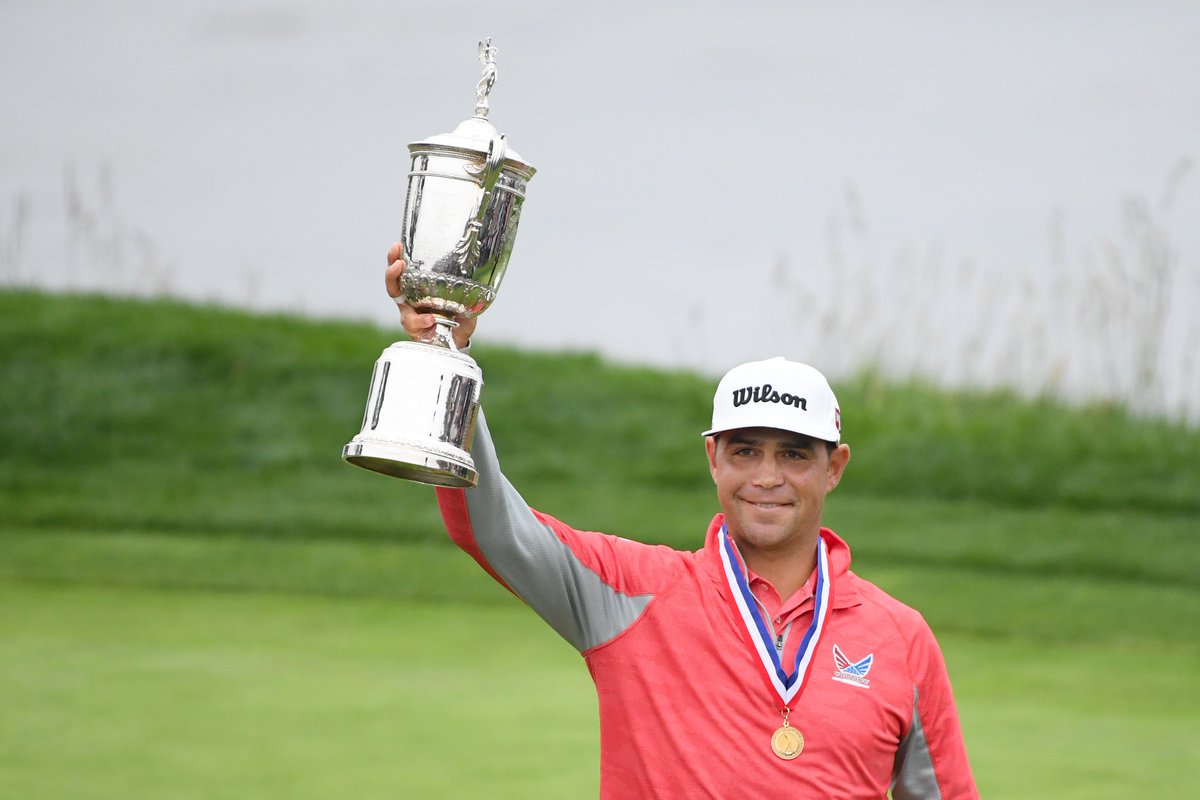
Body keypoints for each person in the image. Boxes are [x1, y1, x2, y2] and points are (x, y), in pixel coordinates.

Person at [385, 243, 978, 799]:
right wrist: (446, 356)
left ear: (834, 467)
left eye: (794, 454)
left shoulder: (901, 637)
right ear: (713, 459)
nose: (767, 477)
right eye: (745, 451)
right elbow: (490, 527)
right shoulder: (626, 591)